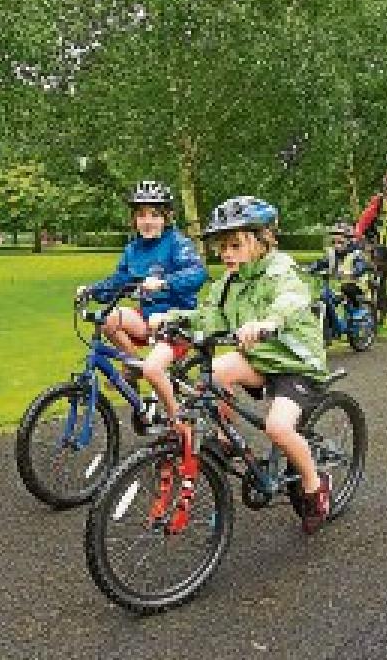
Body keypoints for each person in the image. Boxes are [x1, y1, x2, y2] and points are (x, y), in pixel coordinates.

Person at [149, 196, 332, 534]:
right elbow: (210, 317)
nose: (227, 254)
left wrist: (268, 322)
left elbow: (292, 297)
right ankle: (224, 440)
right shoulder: (228, 283)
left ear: (262, 241)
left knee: (278, 428)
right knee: (215, 372)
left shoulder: (280, 270)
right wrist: (174, 319)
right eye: (222, 247)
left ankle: (314, 486)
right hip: (259, 358)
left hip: (296, 363)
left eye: (235, 245)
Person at [78, 181, 207, 423]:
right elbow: (118, 281)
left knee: (155, 370)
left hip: (176, 324)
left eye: (154, 215)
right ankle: (133, 367)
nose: (147, 221)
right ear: (134, 219)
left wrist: (164, 282)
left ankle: (177, 421)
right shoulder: (133, 250)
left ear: (166, 217)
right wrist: (91, 291)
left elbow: (197, 273)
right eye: (141, 215)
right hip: (148, 320)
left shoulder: (177, 243)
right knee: (109, 319)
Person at [309, 222, 371, 311]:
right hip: (341, 292)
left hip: (358, 293)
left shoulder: (357, 254)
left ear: (349, 241)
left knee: (351, 305)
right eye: (334, 242)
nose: (336, 245)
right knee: (325, 298)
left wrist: (352, 272)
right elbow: (321, 263)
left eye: (340, 242)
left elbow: (361, 267)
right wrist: (310, 268)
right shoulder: (334, 254)